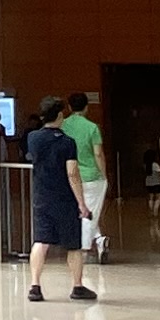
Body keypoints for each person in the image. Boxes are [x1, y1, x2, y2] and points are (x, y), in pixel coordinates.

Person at [24, 101, 95, 301]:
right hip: (65, 200)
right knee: (73, 245)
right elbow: (72, 173)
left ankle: (35, 286)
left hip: (41, 197)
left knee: (41, 241)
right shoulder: (67, 142)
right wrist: (81, 203)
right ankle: (77, 286)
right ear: (59, 117)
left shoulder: (33, 138)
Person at [64, 91, 108, 257]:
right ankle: (84, 247)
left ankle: (99, 239)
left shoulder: (63, 126)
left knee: (81, 210)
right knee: (89, 213)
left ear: (69, 107)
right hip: (91, 176)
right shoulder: (92, 127)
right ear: (86, 107)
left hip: (69, 175)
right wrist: (104, 175)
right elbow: (98, 153)